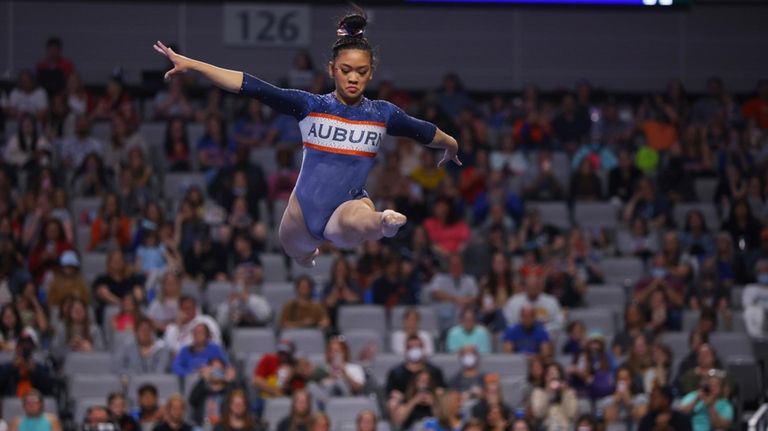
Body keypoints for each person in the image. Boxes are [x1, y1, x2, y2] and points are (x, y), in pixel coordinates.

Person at [153, 11, 460, 268]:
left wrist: (451, 143)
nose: (353, 78)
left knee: (356, 222)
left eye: (361, 72)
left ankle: (383, 222)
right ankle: (308, 254)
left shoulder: (382, 113)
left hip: (348, 203)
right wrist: (193, 65)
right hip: (302, 212)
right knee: (295, 250)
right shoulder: (310, 106)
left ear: (371, 74)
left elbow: (424, 130)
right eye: (346, 70)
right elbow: (248, 85)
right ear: (332, 70)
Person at [427, 254, 478, 332]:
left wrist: (464, 301)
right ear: (449, 266)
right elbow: (435, 293)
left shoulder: (469, 280)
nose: (456, 268)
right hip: (443, 319)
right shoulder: (440, 278)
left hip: (464, 317)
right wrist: (455, 299)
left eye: (458, 265)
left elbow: (475, 296)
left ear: (462, 266)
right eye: (453, 265)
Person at [503, 267, 564, 333]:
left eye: (535, 287)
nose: (532, 291)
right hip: (520, 337)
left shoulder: (551, 301)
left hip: (545, 336)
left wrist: (542, 330)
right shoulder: (514, 301)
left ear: (540, 287)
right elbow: (509, 322)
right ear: (525, 287)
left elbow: (559, 322)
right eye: (530, 288)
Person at [188, 358, 244, 426]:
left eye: (219, 369)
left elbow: (237, 401)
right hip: (203, 426)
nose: (216, 372)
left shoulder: (229, 389)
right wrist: (203, 379)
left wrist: (230, 382)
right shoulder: (203, 388)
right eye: (213, 369)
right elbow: (192, 400)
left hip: (223, 426)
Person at [0, 329, 54, 396]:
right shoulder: (6, 366)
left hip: (33, 402)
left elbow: (49, 387)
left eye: (28, 345)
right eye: (22, 345)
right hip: (12, 402)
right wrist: (12, 367)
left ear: (32, 348)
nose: (25, 348)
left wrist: (35, 370)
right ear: (17, 348)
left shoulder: (40, 367)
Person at [530, 363, 578, 431]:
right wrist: (548, 392)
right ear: (545, 377)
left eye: (556, 376)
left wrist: (564, 392)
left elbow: (571, 414)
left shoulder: (569, 392)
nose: (552, 378)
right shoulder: (538, 392)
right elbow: (539, 414)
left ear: (560, 377)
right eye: (549, 375)